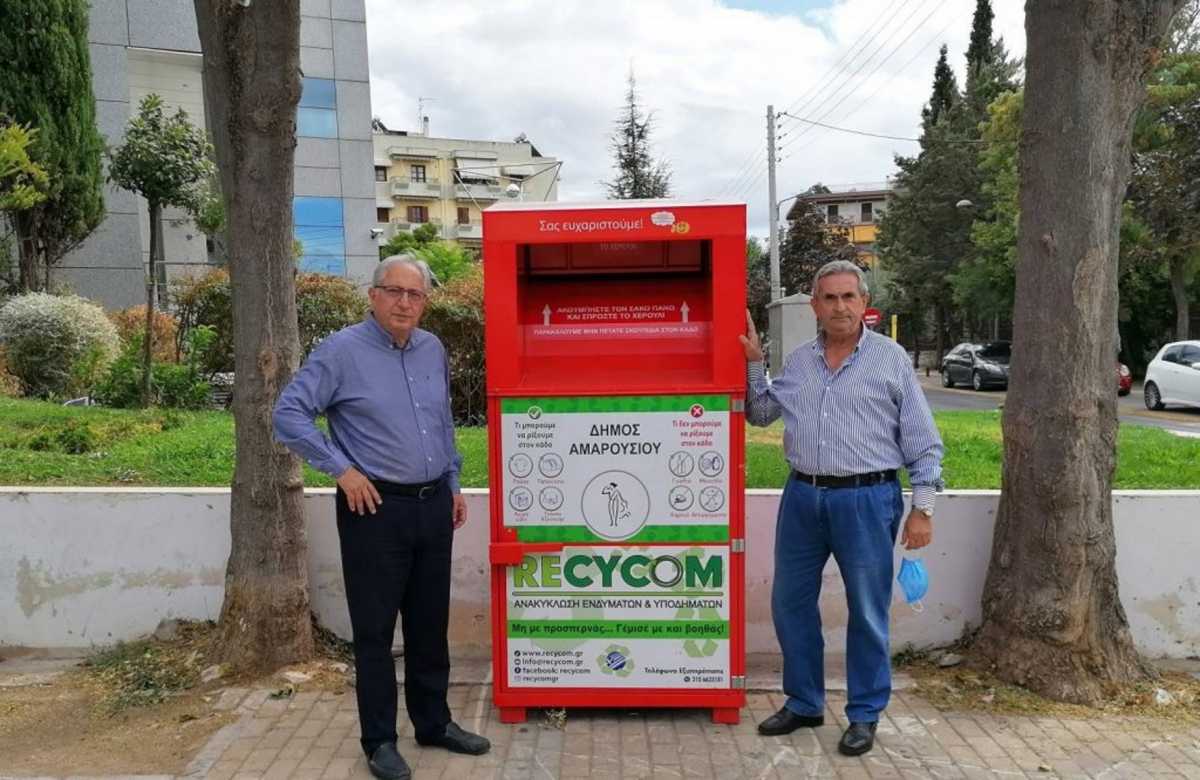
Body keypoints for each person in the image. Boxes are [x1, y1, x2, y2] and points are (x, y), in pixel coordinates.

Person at [273, 254, 489, 780]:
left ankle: (434, 723)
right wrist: (341, 469)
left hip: (433, 504)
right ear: (373, 295)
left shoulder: (432, 348)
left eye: (415, 295)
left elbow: (441, 423)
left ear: (425, 303)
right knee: (375, 632)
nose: (404, 303)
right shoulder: (342, 352)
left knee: (428, 625)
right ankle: (379, 742)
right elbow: (289, 413)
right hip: (374, 510)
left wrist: (454, 482)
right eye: (394, 291)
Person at [739, 260, 943, 757]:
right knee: (790, 603)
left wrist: (923, 508)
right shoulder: (802, 361)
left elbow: (923, 441)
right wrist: (753, 362)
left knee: (868, 611)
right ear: (815, 306)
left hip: (867, 499)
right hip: (804, 496)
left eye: (848, 297)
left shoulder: (890, 359)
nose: (840, 307)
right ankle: (805, 702)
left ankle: (865, 712)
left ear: (863, 302)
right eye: (829, 298)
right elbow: (762, 413)